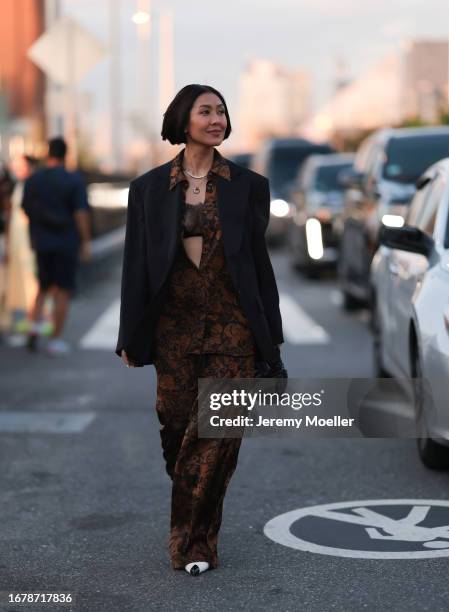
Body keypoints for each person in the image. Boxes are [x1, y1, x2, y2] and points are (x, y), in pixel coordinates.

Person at [115, 84, 287, 575]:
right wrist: (130, 332)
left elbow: (259, 263)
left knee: (215, 436)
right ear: (183, 120)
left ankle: (193, 545)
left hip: (233, 327)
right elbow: (136, 267)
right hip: (174, 329)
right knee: (177, 433)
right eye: (205, 111)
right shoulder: (148, 188)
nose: (216, 119)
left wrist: (269, 337)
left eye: (222, 111)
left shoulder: (248, 185)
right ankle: (196, 513)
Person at [21, 137, 91, 355]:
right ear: (65, 155)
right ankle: (54, 340)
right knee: (62, 290)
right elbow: (80, 213)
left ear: (47, 154)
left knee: (42, 287)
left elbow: (25, 207)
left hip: (41, 242)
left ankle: (33, 328)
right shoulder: (73, 180)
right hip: (65, 242)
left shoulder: (33, 179)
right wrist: (85, 241)